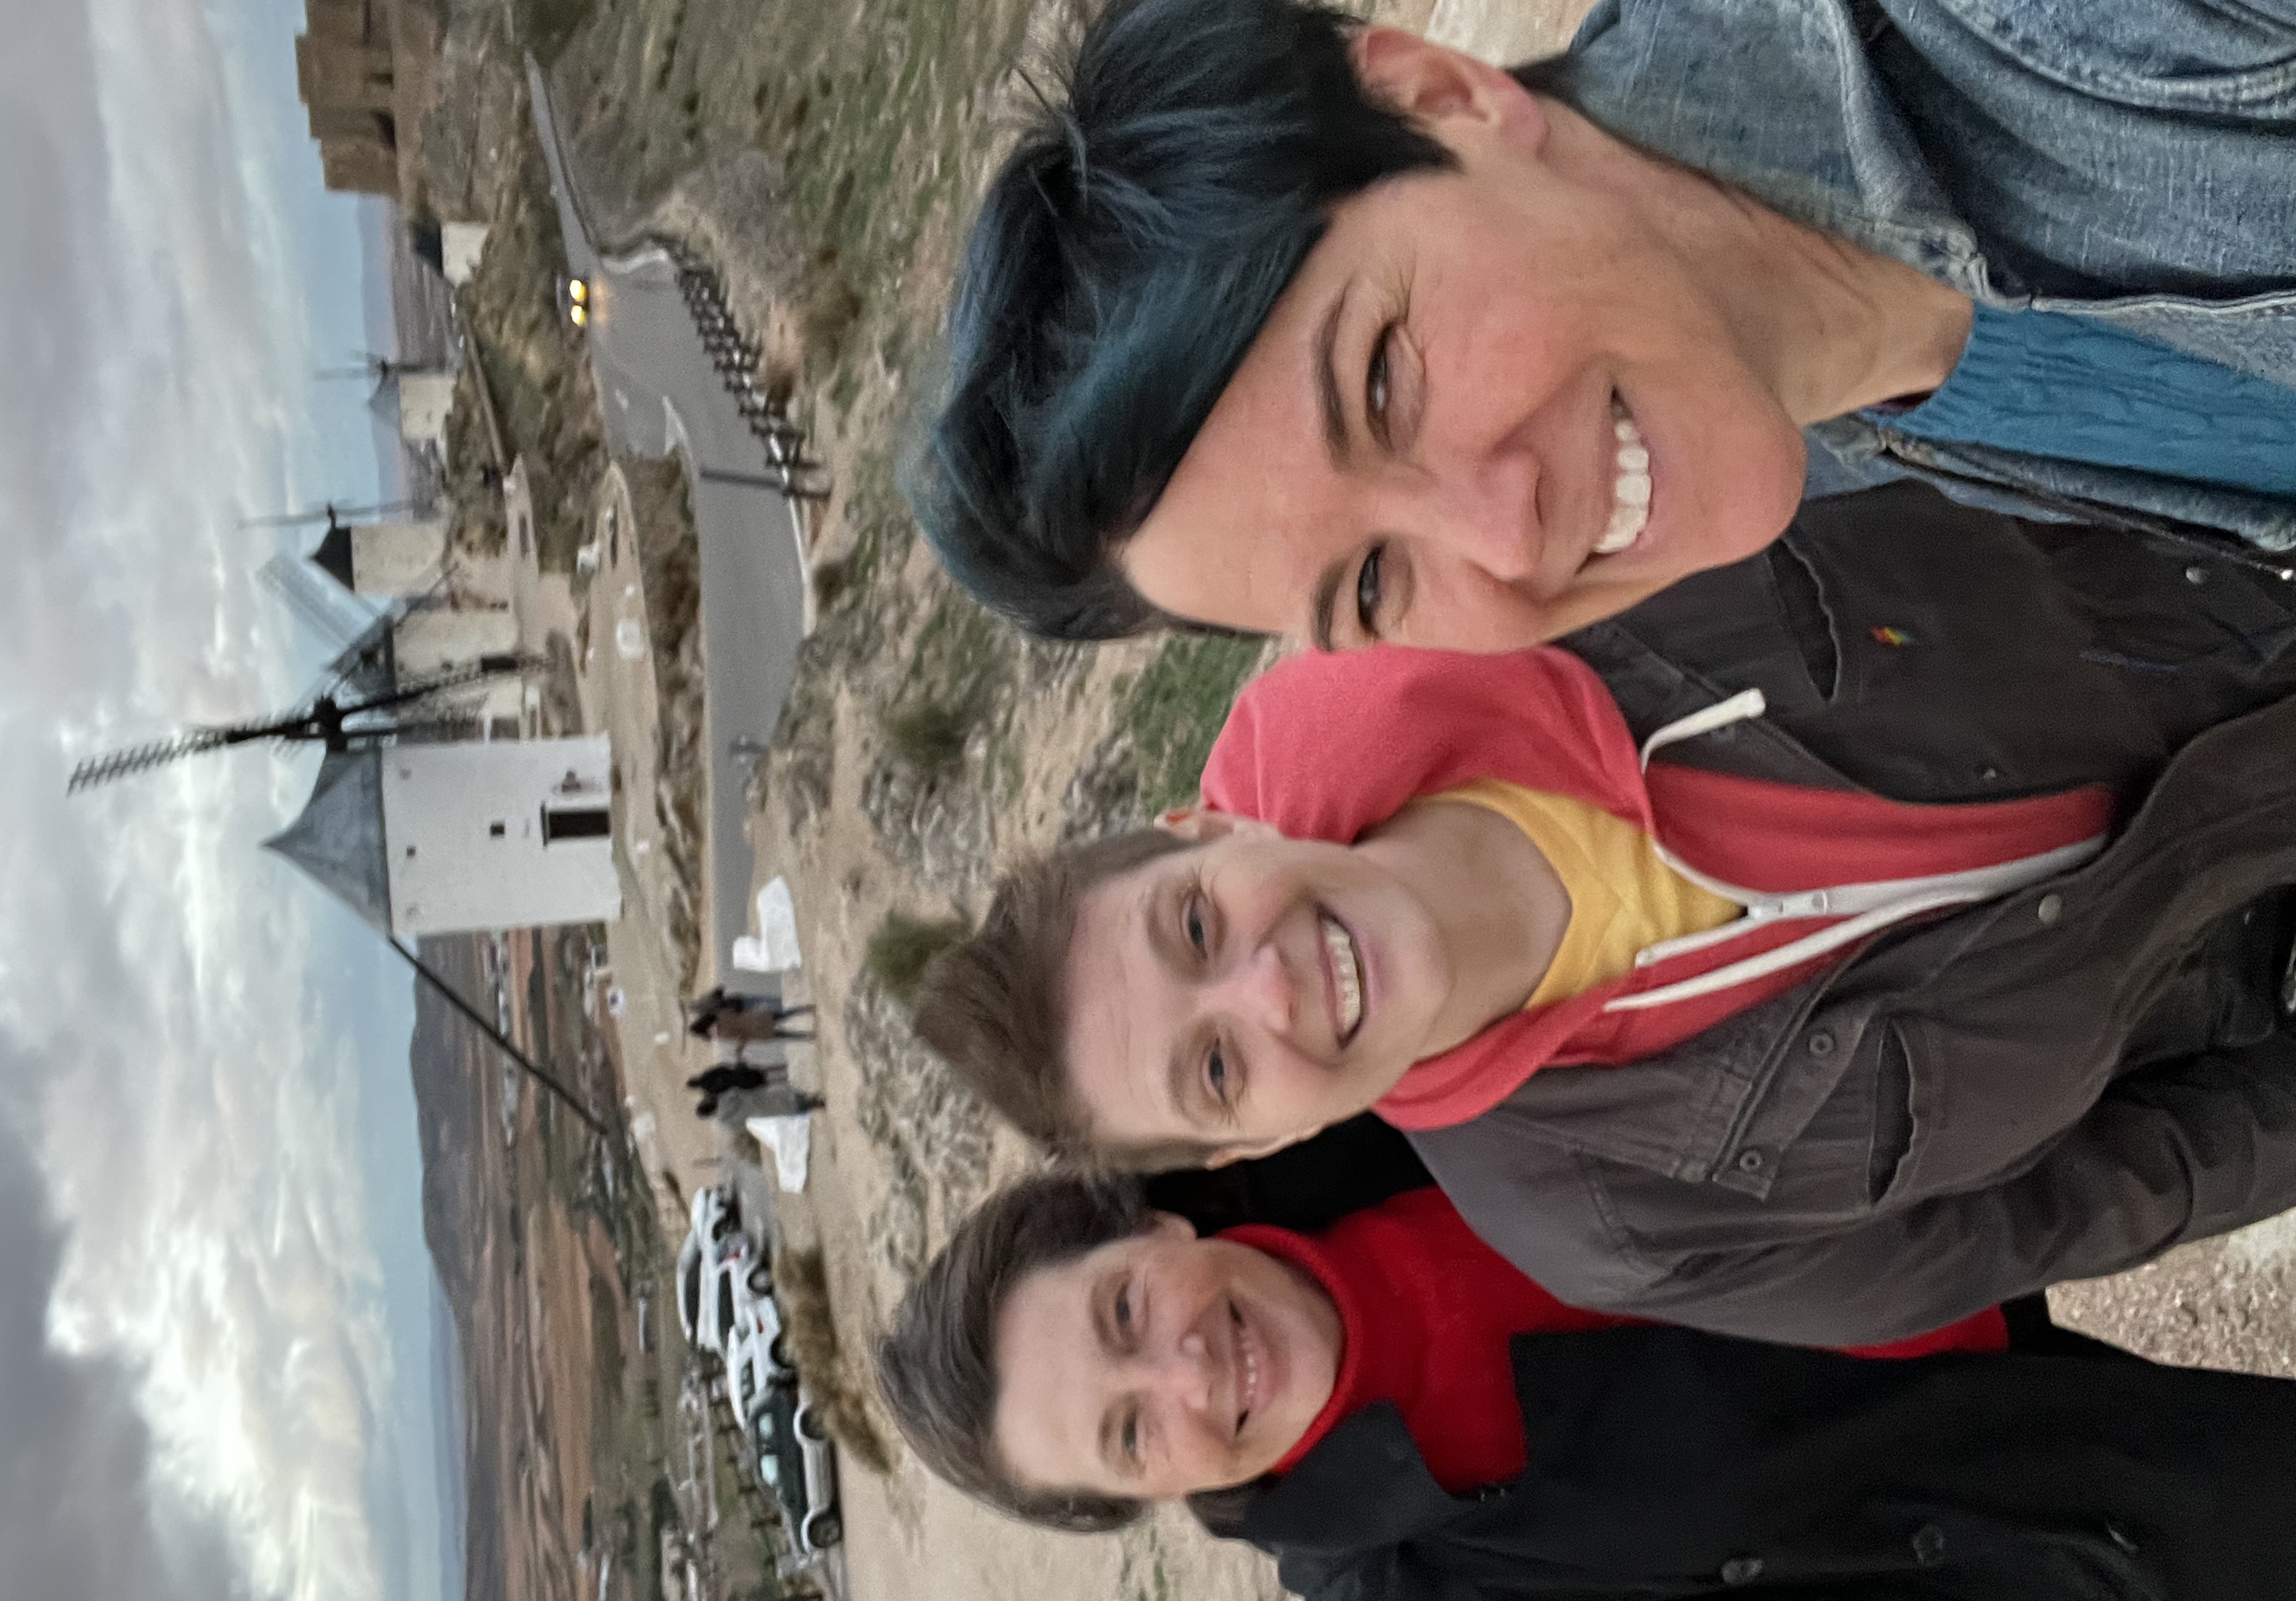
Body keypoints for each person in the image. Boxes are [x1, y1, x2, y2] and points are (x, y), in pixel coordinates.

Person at [910, 490, 2296, 1344]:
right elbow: (2061, 1212)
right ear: (1261, 1144)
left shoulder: (1512, 570)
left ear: (1210, 830)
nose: (1267, 992)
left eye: (1196, 930)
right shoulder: (1600, 1225)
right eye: (1217, 1068)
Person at [904, 0, 2296, 650]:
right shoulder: (1834, 416)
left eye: (1383, 383)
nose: (1506, 541)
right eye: (1373, 586)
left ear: (1443, 97)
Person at [877, 1166, 2296, 1601]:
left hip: (1986, 1160)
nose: (1185, 1373)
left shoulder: (1343, 1101)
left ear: (1149, 1223)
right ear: (1154, 1498)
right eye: (1131, 1434)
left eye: (1125, 1312)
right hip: (2008, 1486)